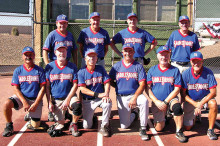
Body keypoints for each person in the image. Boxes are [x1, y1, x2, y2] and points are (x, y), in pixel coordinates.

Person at [146, 46, 187, 143]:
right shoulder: (152, 70)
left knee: (177, 107)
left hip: (170, 98)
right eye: (161, 54)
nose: (164, 57)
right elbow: (147, 88)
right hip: (158, 101)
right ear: (157, 56)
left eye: (166, 54)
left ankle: (179, 131)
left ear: (169, 56)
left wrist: (166, 102)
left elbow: (177, 89)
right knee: (159, 129)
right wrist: (156, 101)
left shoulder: (175, 70)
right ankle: (165, 117)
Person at [2, 47, 46, 137]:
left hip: (35, 99)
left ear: (33, 56)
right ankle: (9, 125)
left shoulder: (39, 70)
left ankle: (30, 116)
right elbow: (15, 88)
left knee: (35, 126)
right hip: (22, 97)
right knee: (6, 104)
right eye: (26, 55)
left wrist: (36, 103)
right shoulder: (18, 70)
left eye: (30, 55)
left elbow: (43, 88)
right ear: (22, 56)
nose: (28, 57)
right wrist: (24, 101)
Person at [109, 43, 149, 141]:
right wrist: (117, 87)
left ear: (134, 52)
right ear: (122, 52)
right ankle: (134, 114)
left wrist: (134, 97)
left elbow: (142, 84)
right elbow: (110, 80)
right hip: (121, 97)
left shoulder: (138, 66)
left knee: (144, 101)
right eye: (126, 51)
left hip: (135, 95)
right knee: (124, 126)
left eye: (130, 51)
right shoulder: (116, 66)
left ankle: (143, 128)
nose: (128, 53)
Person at [42, 14, 77, 122]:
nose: (62, 25)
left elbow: (74, 50)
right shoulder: (52, 35)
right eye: (60, 23)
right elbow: (45, 51)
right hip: (54, 63)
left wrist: (75, 64)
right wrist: (48, 65)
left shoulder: (70, 35)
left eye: (64, 23)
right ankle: (51, 110)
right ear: (57, 23)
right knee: (53, 88)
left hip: (67, 63)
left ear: (67, 24)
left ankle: (66, 110)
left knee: (67, 85)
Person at [45, 44, 82, 137]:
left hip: (69, 96)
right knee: (61, 124)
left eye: (64, 51)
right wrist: (49, 102)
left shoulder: (72, 66)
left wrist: (67, 100)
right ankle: (66, 116)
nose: (61, 53)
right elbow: (47, 87)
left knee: (77, 105)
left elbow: (75, 85)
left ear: (67, 52)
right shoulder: (49, 67)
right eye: (59, 51)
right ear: (55, 52)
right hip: (56, 99)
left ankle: (73, 124)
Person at [182, 51, 218, 140]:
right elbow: (183, 94)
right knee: (188, 128)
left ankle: (210, 130)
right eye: (194, 61)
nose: (196, 63)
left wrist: (200, 104)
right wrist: (195, 105)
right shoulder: (186, 73)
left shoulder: (208, 72)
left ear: (202, 61)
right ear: (190, 62)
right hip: (191, 100)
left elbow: (213, 92)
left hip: (204, 99)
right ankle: (194, 116)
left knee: (213, 103)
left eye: (198, 61)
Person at [77, 49, 112, 137]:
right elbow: (82, 89)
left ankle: (104, 126)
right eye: (89, 56)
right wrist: (98, 94)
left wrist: (106, 94)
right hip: (87, 100)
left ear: (97, 58)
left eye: (94, 56)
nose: (92, 58)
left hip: (100, 99)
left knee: (107, 103)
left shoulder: (101, 69)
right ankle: (92, 117)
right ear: (85, 59)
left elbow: (107, 82)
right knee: (87, 126)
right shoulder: (81, 72)